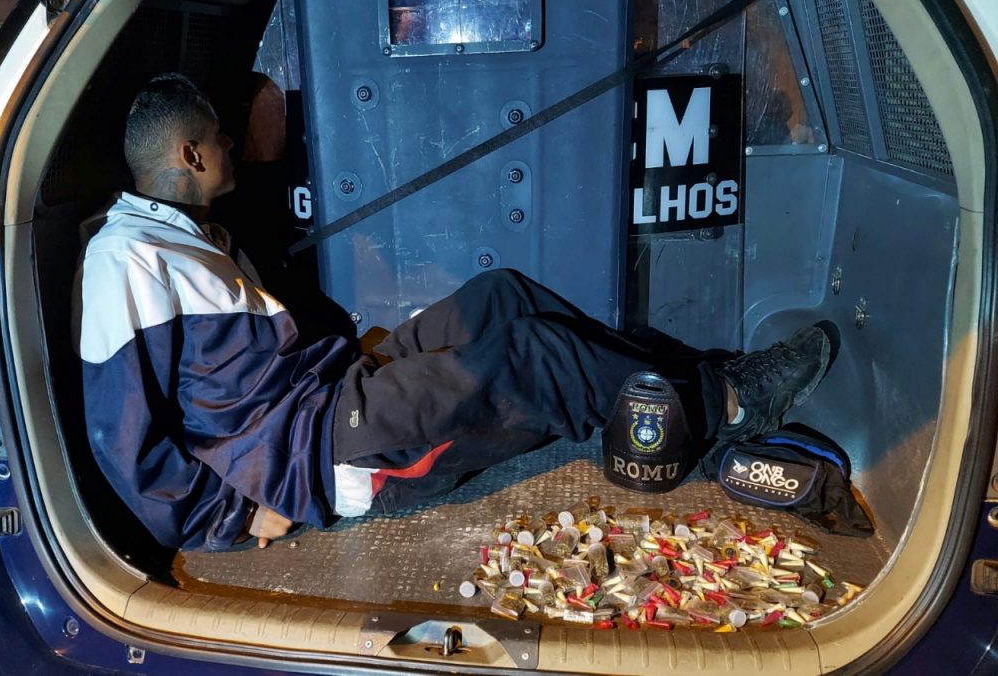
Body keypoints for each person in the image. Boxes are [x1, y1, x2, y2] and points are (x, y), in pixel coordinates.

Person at [74, 73, 831, 552]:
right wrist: (232, 517)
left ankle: (684, 381)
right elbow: (121, 437)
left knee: (503, 294)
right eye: (220, 139)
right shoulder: (124, 258)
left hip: (333, 390)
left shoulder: (189, 234)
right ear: (191, 156)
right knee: (532, 356)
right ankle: (728, 404)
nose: (233, 146)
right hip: (324, 449)